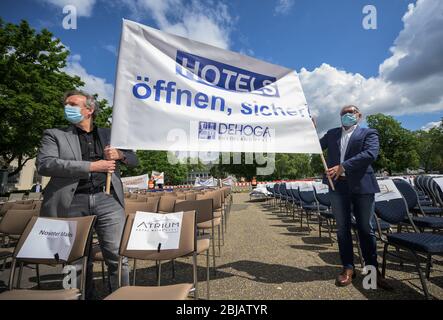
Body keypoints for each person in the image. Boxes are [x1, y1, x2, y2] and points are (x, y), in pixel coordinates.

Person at [36, 90, 138, 298]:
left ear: (89, 110)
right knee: (73, 258)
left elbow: (134, 159)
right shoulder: (55, 135)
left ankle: (120, 295)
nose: (67, 107)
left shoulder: (111, 134)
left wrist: (119, 155)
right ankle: (76, 295)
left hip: (107, 199)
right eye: (66, 104)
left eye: (73, 104)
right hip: (71, 202)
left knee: (117, 255)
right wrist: (91, 166)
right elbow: (46, 164)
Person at [319, 105, 391, 290]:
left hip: (362, 186)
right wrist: (310, 130)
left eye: (351, 112)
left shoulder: (369, 133)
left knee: (366, 229)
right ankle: (348, 268)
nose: (347, 115)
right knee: (342, 229)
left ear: (359, 115)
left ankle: (372, 270)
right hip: (338, 186)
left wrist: (343, 166)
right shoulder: (332, 133)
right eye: (344, 113)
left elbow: (370, 154)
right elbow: (316, 146)